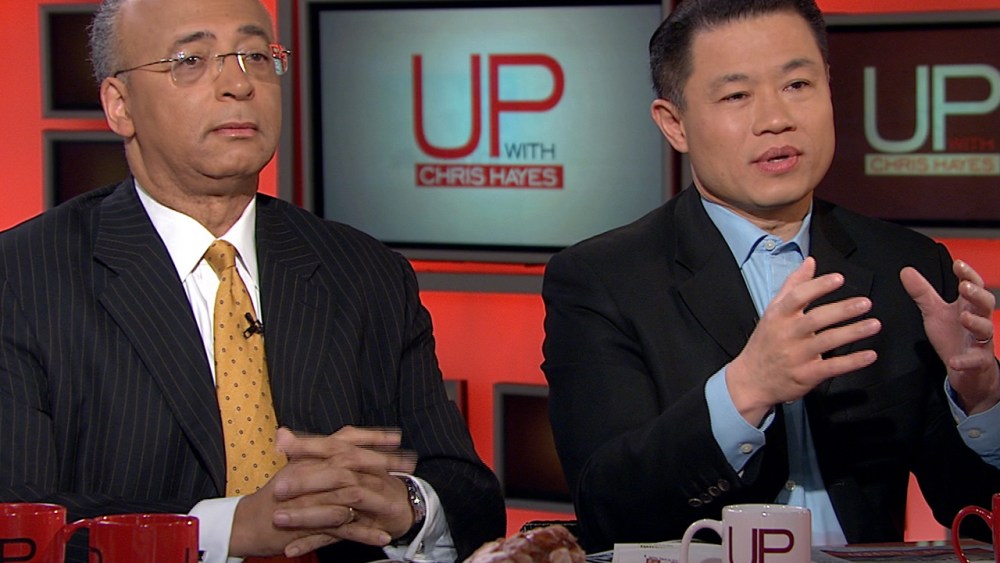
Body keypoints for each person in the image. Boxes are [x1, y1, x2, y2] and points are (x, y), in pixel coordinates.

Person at [0, 0, 505, 561]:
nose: (239, 85)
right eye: (191, 60)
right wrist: (226, 527)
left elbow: (472, 498)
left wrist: (405, 503)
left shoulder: (366, 271)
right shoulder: (21, 279)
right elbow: (15, 516)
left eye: (257, 57)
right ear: (120, 106)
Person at [541, 0, 1000, 552]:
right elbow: (607, 506)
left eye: (797, 85)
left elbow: (973, 513)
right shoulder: (601, 279)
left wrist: (981, 402)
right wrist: (746, 390)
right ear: (674, 123)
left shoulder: (907, 266)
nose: (776, 118)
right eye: (737, 95)